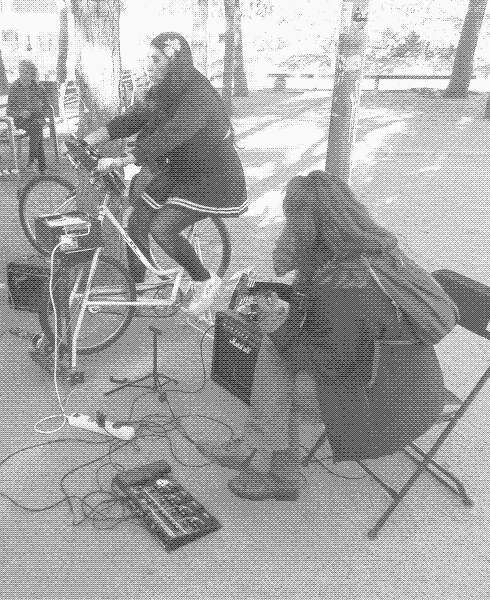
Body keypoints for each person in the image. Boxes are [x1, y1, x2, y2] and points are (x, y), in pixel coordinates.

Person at [198, 170, 455, 501]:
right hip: (407, 378)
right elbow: (336, 333)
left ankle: (277, 470)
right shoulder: (372, 250)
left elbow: (328, 363)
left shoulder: (344, 287)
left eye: (292, 222)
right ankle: (254, 447)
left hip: (386, 401)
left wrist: (278, 325)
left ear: (309, 227)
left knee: (280, 385)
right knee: (274, 353)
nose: (287, 228)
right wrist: (285, 310)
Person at [82, 32, 248, 315]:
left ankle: (205, 280)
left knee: (162, 228)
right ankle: (141, 282)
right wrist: (88, 141)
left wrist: (120, 161)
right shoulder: (166, 89)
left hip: (213, 175)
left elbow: (171, 135)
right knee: (137, 221)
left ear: (174, 60)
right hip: (182, 168)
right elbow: (134, 118)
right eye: (149, 58)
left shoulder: (198, 93)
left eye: (156, 59)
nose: (150, 64)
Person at [7, 59, 50, 174]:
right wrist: (20, 113)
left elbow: (47, 106)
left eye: (26, 72)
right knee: (37, 129)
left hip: (37, 118)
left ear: (32, 74)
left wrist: (40, 109)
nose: (22, 75)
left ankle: (35, 163)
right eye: (21, 72)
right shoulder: (15, 87)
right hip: (21, 120)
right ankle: (38, 164)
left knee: (36, 127)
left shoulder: (37, 86)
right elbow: (9, 110)